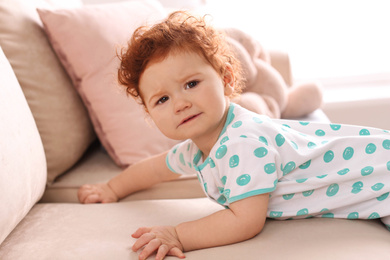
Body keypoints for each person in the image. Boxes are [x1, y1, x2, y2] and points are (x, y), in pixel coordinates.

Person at [78, 11, 390, 260]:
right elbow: (156, 168)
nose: (181, 104)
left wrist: (177, 234)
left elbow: (245, 220)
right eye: (162, 99)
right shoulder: (201, 146)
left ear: (226, 79)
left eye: (191, 84)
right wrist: (112, 188)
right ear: (149, 114)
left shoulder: (243, 142)